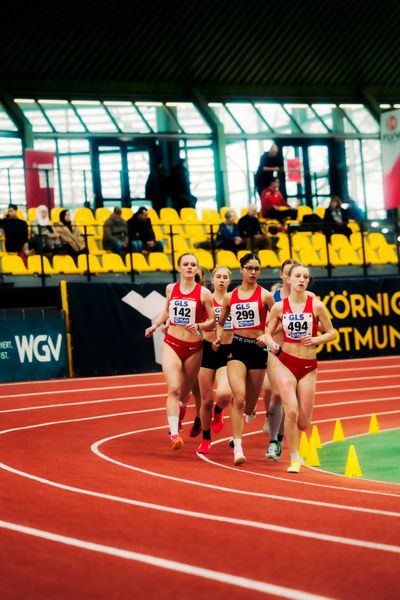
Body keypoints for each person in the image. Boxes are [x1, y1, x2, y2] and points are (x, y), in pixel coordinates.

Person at [257, 263, 336, 473]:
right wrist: (270, 343)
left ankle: (291, 441)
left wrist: (316, 339)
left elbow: (332, 332)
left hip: (309, 366)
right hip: (286, 362)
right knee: (290, 410)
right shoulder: (279, 307)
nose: (302, 280)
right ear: (288, 279)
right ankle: (294, 457)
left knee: (303, 422)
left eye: (306, 277)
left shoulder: (316, 305)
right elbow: (267, 332)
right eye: (298, 276)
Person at [145, 253, 215, 450]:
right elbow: (167, 310)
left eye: (193, 264)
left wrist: (200, 326)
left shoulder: (204, 294)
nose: (190, 267)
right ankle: (174, 434)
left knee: (184, 395)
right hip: (172, 344)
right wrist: (155, 325)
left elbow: (212, 321)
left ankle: (181, 411)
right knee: (174, 388)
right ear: (179, 268)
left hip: (194, 348)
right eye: (186, 264)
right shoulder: (171, 288)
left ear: (197, 269)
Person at [215, 253, 275, 465]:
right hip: (237, 348)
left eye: (256, 269)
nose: (253, 272)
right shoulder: (231, 297)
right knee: (237, 398)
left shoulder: (266, 296)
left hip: (258, 351)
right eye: (249, 268)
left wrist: (267, 335)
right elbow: (221, 321)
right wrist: (220, 337)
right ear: (241, 270)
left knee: (249, 405)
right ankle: (238, 447)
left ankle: (251, 410)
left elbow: (275, 321)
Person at [197, 266, 234, 454]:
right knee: (205, 401)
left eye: (225, 277)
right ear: (212, 280)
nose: (221, 280)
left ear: (229, 281)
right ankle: (206, 438)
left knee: (225, 394)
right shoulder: (205, 299)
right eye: (218, 276)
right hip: (206, 351)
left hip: (226, 351)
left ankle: (219, 411)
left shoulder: (234, 300)